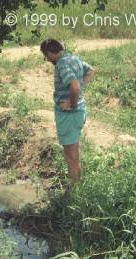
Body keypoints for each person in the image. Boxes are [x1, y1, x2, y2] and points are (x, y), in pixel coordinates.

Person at [40, 39, 94, 184]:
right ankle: (78, 186)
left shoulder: (62, 64)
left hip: (69, 115)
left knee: (70, 157)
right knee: (74, 154)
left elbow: (75, 86)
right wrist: (79, 92)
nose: (47, 59)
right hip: (79, 113)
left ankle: (72, 193)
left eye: (46, 56)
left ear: (50, 52)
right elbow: (90, 71)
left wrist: (72, 102)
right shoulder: (72, 58)